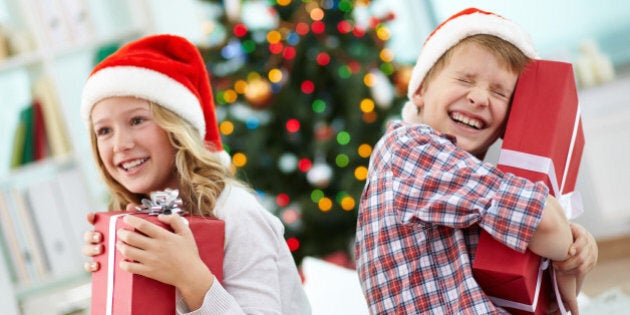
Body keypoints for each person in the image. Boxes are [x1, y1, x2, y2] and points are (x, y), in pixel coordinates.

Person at [354, 7, 597, 314]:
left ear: (512, 119)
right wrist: (564, 240)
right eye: (465, 79)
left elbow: (547, 296)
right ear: (420, 90)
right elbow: (545, 223)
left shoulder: (479, 185)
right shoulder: (408, 148)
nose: (480, 98)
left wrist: (574, 259)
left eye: (499, 92)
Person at [80, 34, 311, 314]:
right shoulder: (140, 217)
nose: (120, 144)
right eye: (104, 130)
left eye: (137, 120)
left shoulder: (235, 212)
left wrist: (190, 278)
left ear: (177, 127)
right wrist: (113, 280)